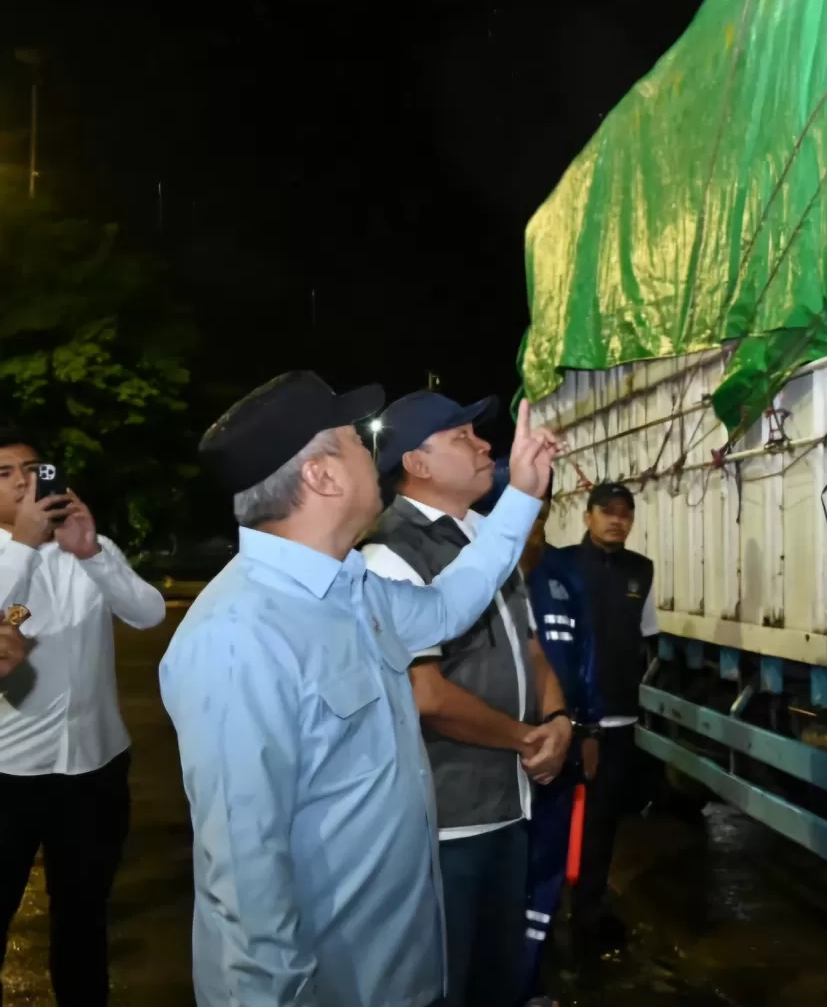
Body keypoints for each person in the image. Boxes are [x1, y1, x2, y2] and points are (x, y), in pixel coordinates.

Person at [159, 371, 556, 1007]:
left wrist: (523, 498)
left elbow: (448, 605)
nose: (374, 453)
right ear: (322, 477)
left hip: (398, 970)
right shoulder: (237, 638)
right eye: (353, 439)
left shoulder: (353, 590)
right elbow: (245, 883)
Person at [359, 391, 573, 1007]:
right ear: (417, 463)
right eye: (462, 437)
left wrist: (559, 719)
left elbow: (530, 646)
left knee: (496, 981)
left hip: (509, 803)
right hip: (447, 820)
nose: (484, 446)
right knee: (444, 985)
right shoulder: (390, 552)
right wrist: (527, 739)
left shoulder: (486, 535)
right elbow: (425, 694)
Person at [0, 428, 166, 1005]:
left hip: (95, 768)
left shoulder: (85, 546)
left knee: (84, 918)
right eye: (4, 474)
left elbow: (148, 613)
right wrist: (23, 545)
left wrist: (93, 553)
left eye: (32, 469)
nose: (22, 482)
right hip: (9, 773)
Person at [521, 482, 656, 983]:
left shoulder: (641, 570)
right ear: (587, 516)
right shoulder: (560, 566)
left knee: (601, 825)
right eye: (607, 511)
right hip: (566, 720)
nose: (616, 520)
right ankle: (541, 919)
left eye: (625, 513)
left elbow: (643, 637)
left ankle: (589, 913)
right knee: (549, 824)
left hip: (618, 719)